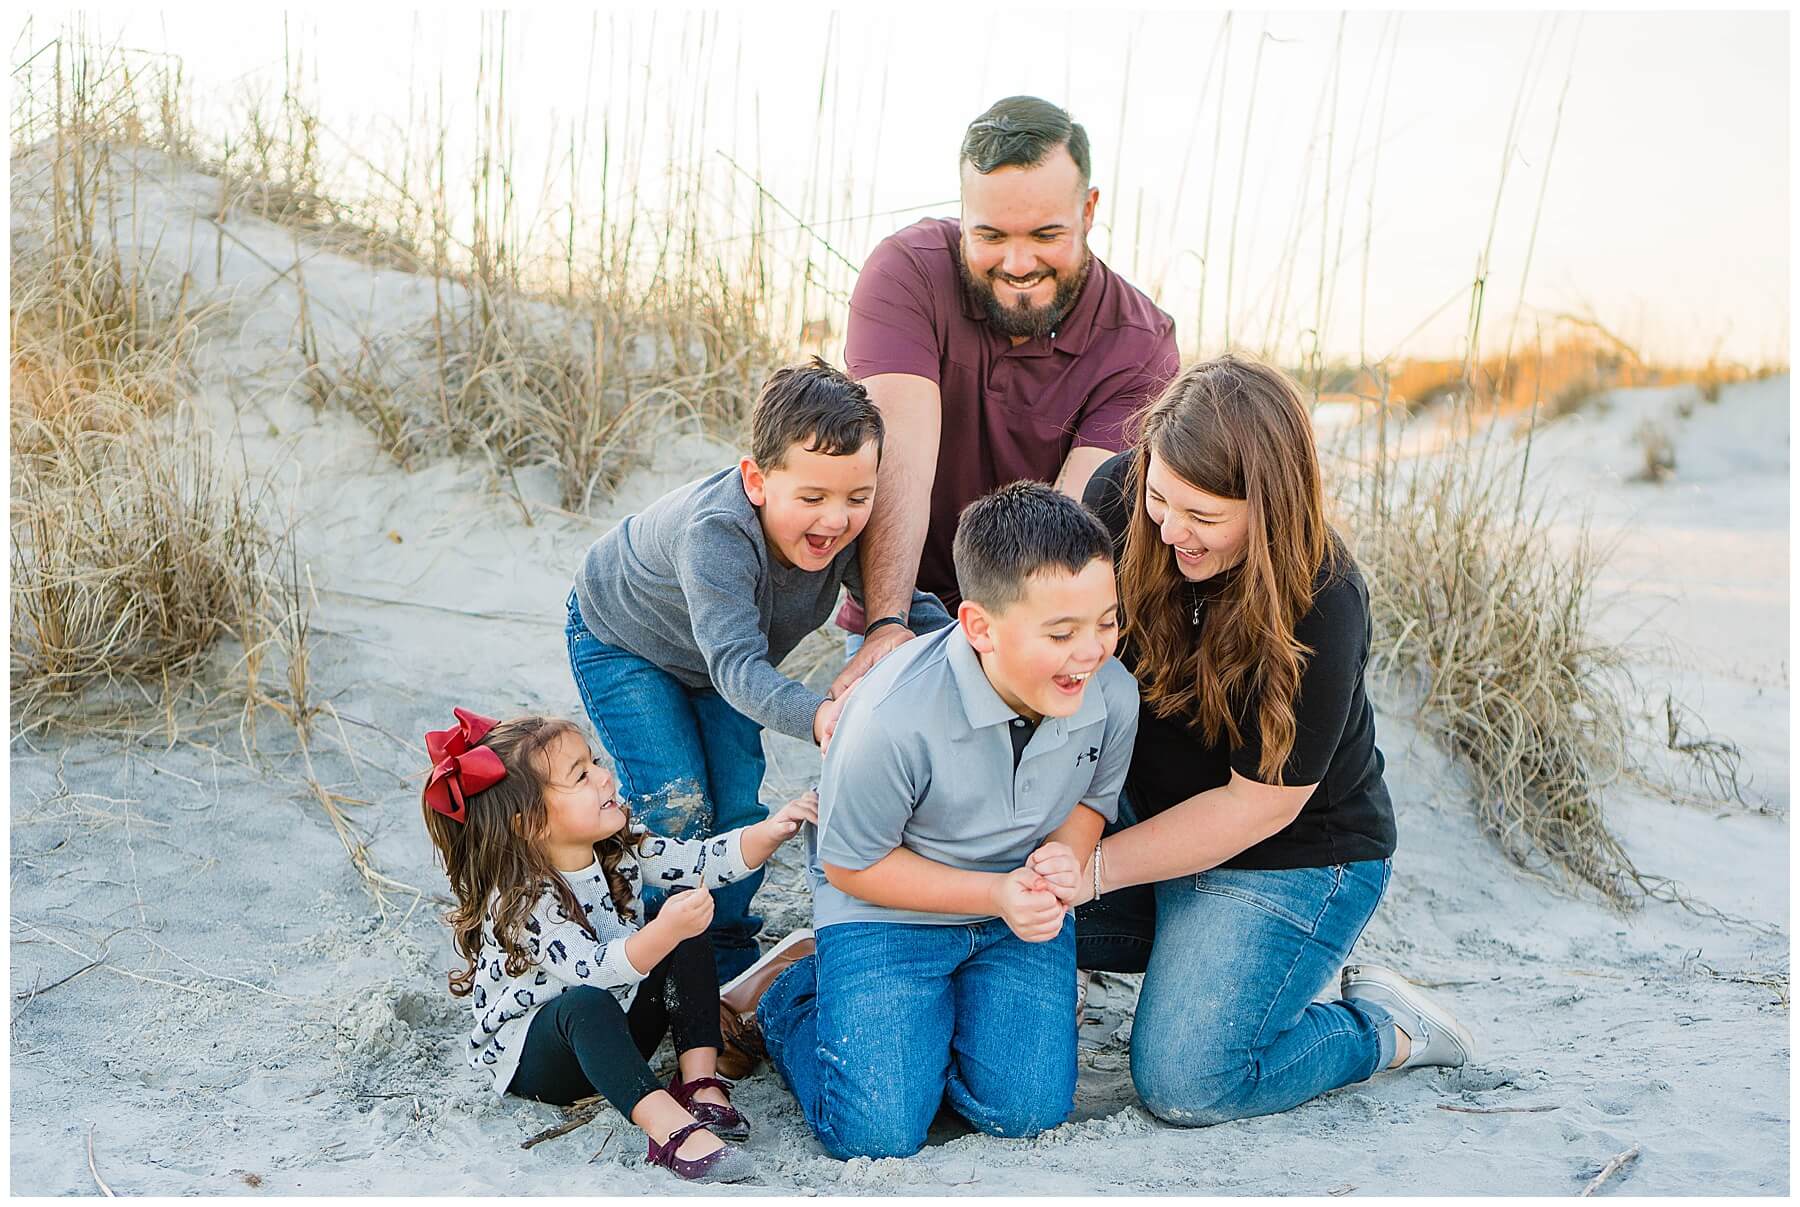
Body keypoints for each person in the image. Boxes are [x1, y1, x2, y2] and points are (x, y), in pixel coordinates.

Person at [1052, 352, 1474, 1128]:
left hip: (1291, 852)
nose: (1170, 529)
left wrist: (1094, 869)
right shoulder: (1117, 496)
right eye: (1159, 498)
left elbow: (1255, 809)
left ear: (1268, 506)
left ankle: (1386, 1026)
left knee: (1188, 1080)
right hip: (1150, 817)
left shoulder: (1324, 599)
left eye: (1203, 517)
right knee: (992, 885)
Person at [722, 483, 1139, 1160]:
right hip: (888, 904)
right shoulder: (891, 716)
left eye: (1106, 622)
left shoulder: (1111, 692)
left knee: (1027, 1111)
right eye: (1061, 632)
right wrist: (997, 893)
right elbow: (852, 865)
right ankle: (790, 991)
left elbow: (1094, 797)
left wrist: (1062, 859)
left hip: (1014, 913)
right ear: (979, 627)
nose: (1091, 650)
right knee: (876, 1133)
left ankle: (925, 1029)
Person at [565, 359, 949, 987]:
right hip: (625, 640)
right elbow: (737, 665)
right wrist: (822, 716)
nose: (835, 519)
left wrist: (976, 640)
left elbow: (898, 609)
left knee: (740, 806)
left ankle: (727, 947)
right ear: (756, 480)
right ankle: (666, 960)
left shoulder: (847, 526)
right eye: (812, 498)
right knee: (677, 803)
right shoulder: (716, 532)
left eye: (858, 497)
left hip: (722, 660)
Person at [830, 94, 1180, 697]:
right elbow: (898, 461)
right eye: (990, 235)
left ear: (1089, 209)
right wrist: (888, 624)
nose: (1018, 263)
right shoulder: (906, 272)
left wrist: (993, 658)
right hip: (902, 605)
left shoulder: (1142, 344)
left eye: (1046, 234)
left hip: (1035, 629)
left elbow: (1063, 532)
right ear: (963, 213)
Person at [418, 707, 816, 1183]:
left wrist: (771, 831)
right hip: (545, 1058)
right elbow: (593, 970)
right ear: (530, 824)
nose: (605, 779)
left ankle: (700, 1084)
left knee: (684, 926)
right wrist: (663, 930)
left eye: (596, 763)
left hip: (618, 1026)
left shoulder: (618, 845)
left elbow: (700, 860)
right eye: (580, 776)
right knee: (587, 1003)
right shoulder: (525, 900)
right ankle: (668, 1129)